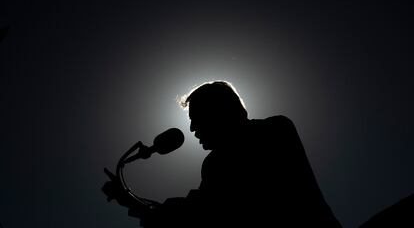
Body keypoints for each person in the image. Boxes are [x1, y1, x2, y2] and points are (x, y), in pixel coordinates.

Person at [103, 80, 342, 227]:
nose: (192, 129)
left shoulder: (272, 131)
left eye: (197, 119)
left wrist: (134, 202)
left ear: (220, 112)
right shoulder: (274, 130)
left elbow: (205, 212)